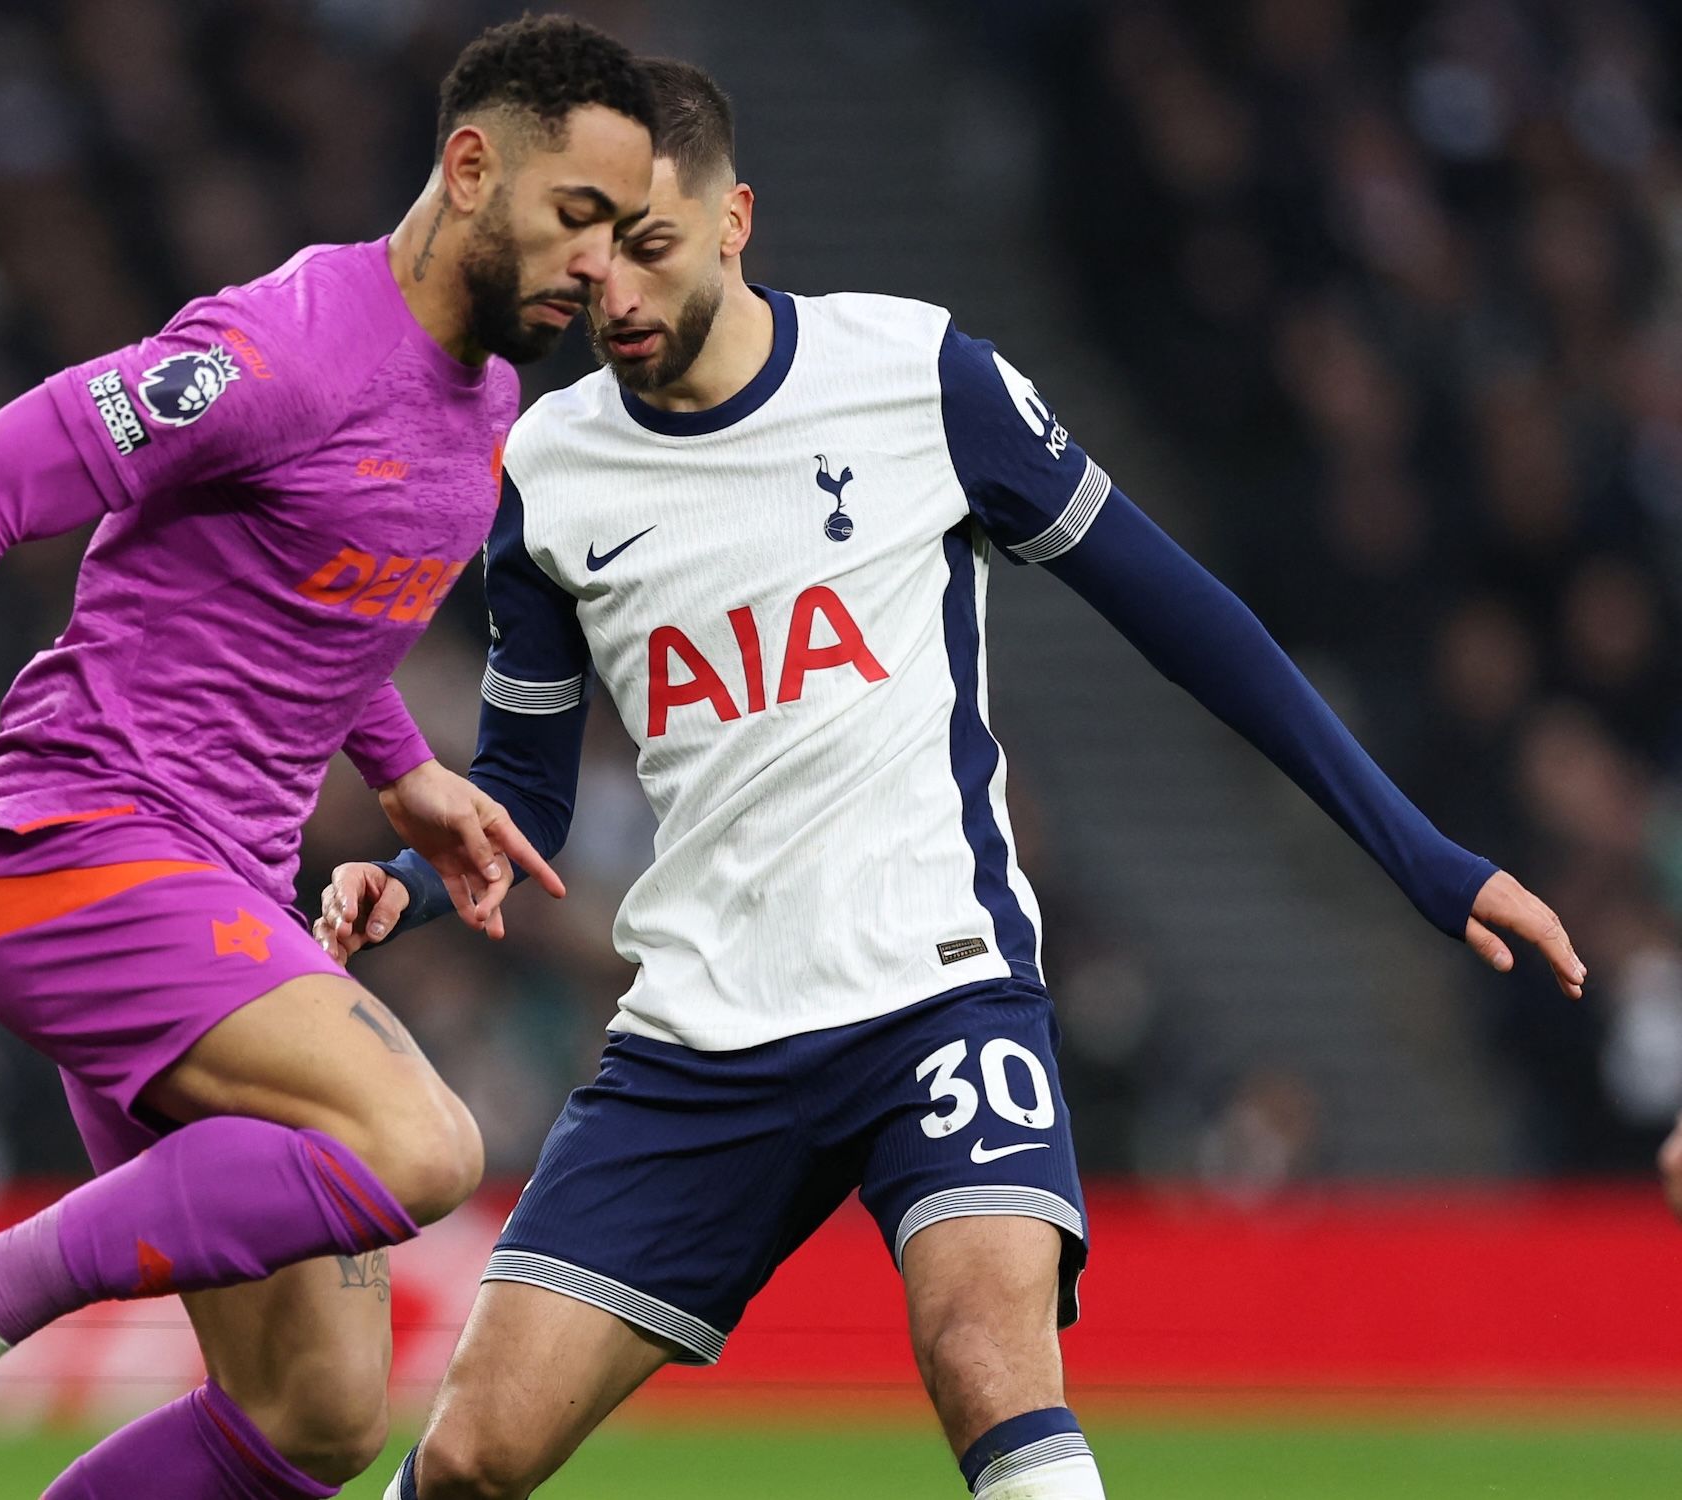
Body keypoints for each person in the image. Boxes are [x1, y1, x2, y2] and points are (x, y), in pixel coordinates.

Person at [319, 59, 1588, 1500]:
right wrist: (415, 883)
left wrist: (1424, 857)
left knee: (989, 1361)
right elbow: (525, 803)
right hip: (699, 1036)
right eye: (595, 254)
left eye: (655, 251)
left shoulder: (919, 377)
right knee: (474, 1455)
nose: (615, 297)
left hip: (937, 988)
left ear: (737, 221)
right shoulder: (549, 470)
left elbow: (1191, 626)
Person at [0, 14, 658, 1495]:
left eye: (620, 232)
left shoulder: (483, 402)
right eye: (575, 216)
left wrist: (402, 772)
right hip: (79, 850)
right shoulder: (278, 352)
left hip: (224, 902)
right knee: (426, 1149)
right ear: (472, 168)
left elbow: (317, 597)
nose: (598, 266)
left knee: (316, 1422)